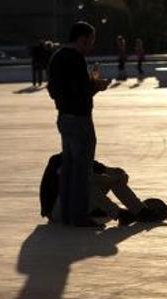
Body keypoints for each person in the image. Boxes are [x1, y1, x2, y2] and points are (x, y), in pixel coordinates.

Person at [48, 21, 111, 228]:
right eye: (90, 41)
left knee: (68, 168)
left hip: (64, 117)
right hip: (79, 119)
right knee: (81, 171)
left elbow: (54, 90)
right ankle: (79, 216)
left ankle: (66, 214)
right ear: (82, 39)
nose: (90, 46)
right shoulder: (75, 59)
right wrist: (96, 86)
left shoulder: (57, 57)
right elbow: (80, 91)